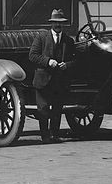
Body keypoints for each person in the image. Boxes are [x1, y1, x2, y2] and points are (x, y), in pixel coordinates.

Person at [28, 9, 76, 143]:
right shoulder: (41, 37)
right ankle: (45, 136)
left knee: (57, 109)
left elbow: (75, 60)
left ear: (63, 25)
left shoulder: (68, 41)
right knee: (43, 109)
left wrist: (67, 65)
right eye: (55, 23)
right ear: (51, 24)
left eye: (60, 23)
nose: (58, 25)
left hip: (59, 81)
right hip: (43, 79)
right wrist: (48, 61)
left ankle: (55, 135)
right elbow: (32, 55)